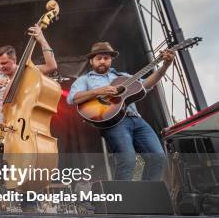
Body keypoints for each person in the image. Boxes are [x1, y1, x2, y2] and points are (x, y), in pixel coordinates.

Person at [67, 42, 175, 180]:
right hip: (114, 123)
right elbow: (73, 99)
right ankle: (122, 201)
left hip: (136, 119)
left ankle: (147, 199)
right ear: (91, 61)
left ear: (111, 60)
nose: (102, 61)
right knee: (128, 160)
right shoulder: (84, 80)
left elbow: (146, 84)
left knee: (158, 157)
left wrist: (165, 66)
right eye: (98, 58)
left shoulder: (123, 76)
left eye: (106, 58)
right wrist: (99, 91)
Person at [0, 24, 58, 150]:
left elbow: (51, 66)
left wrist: (42, 40)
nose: (1, 67)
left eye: (4, 63)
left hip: (21, 125)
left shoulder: (27, 72)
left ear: (14, 59)